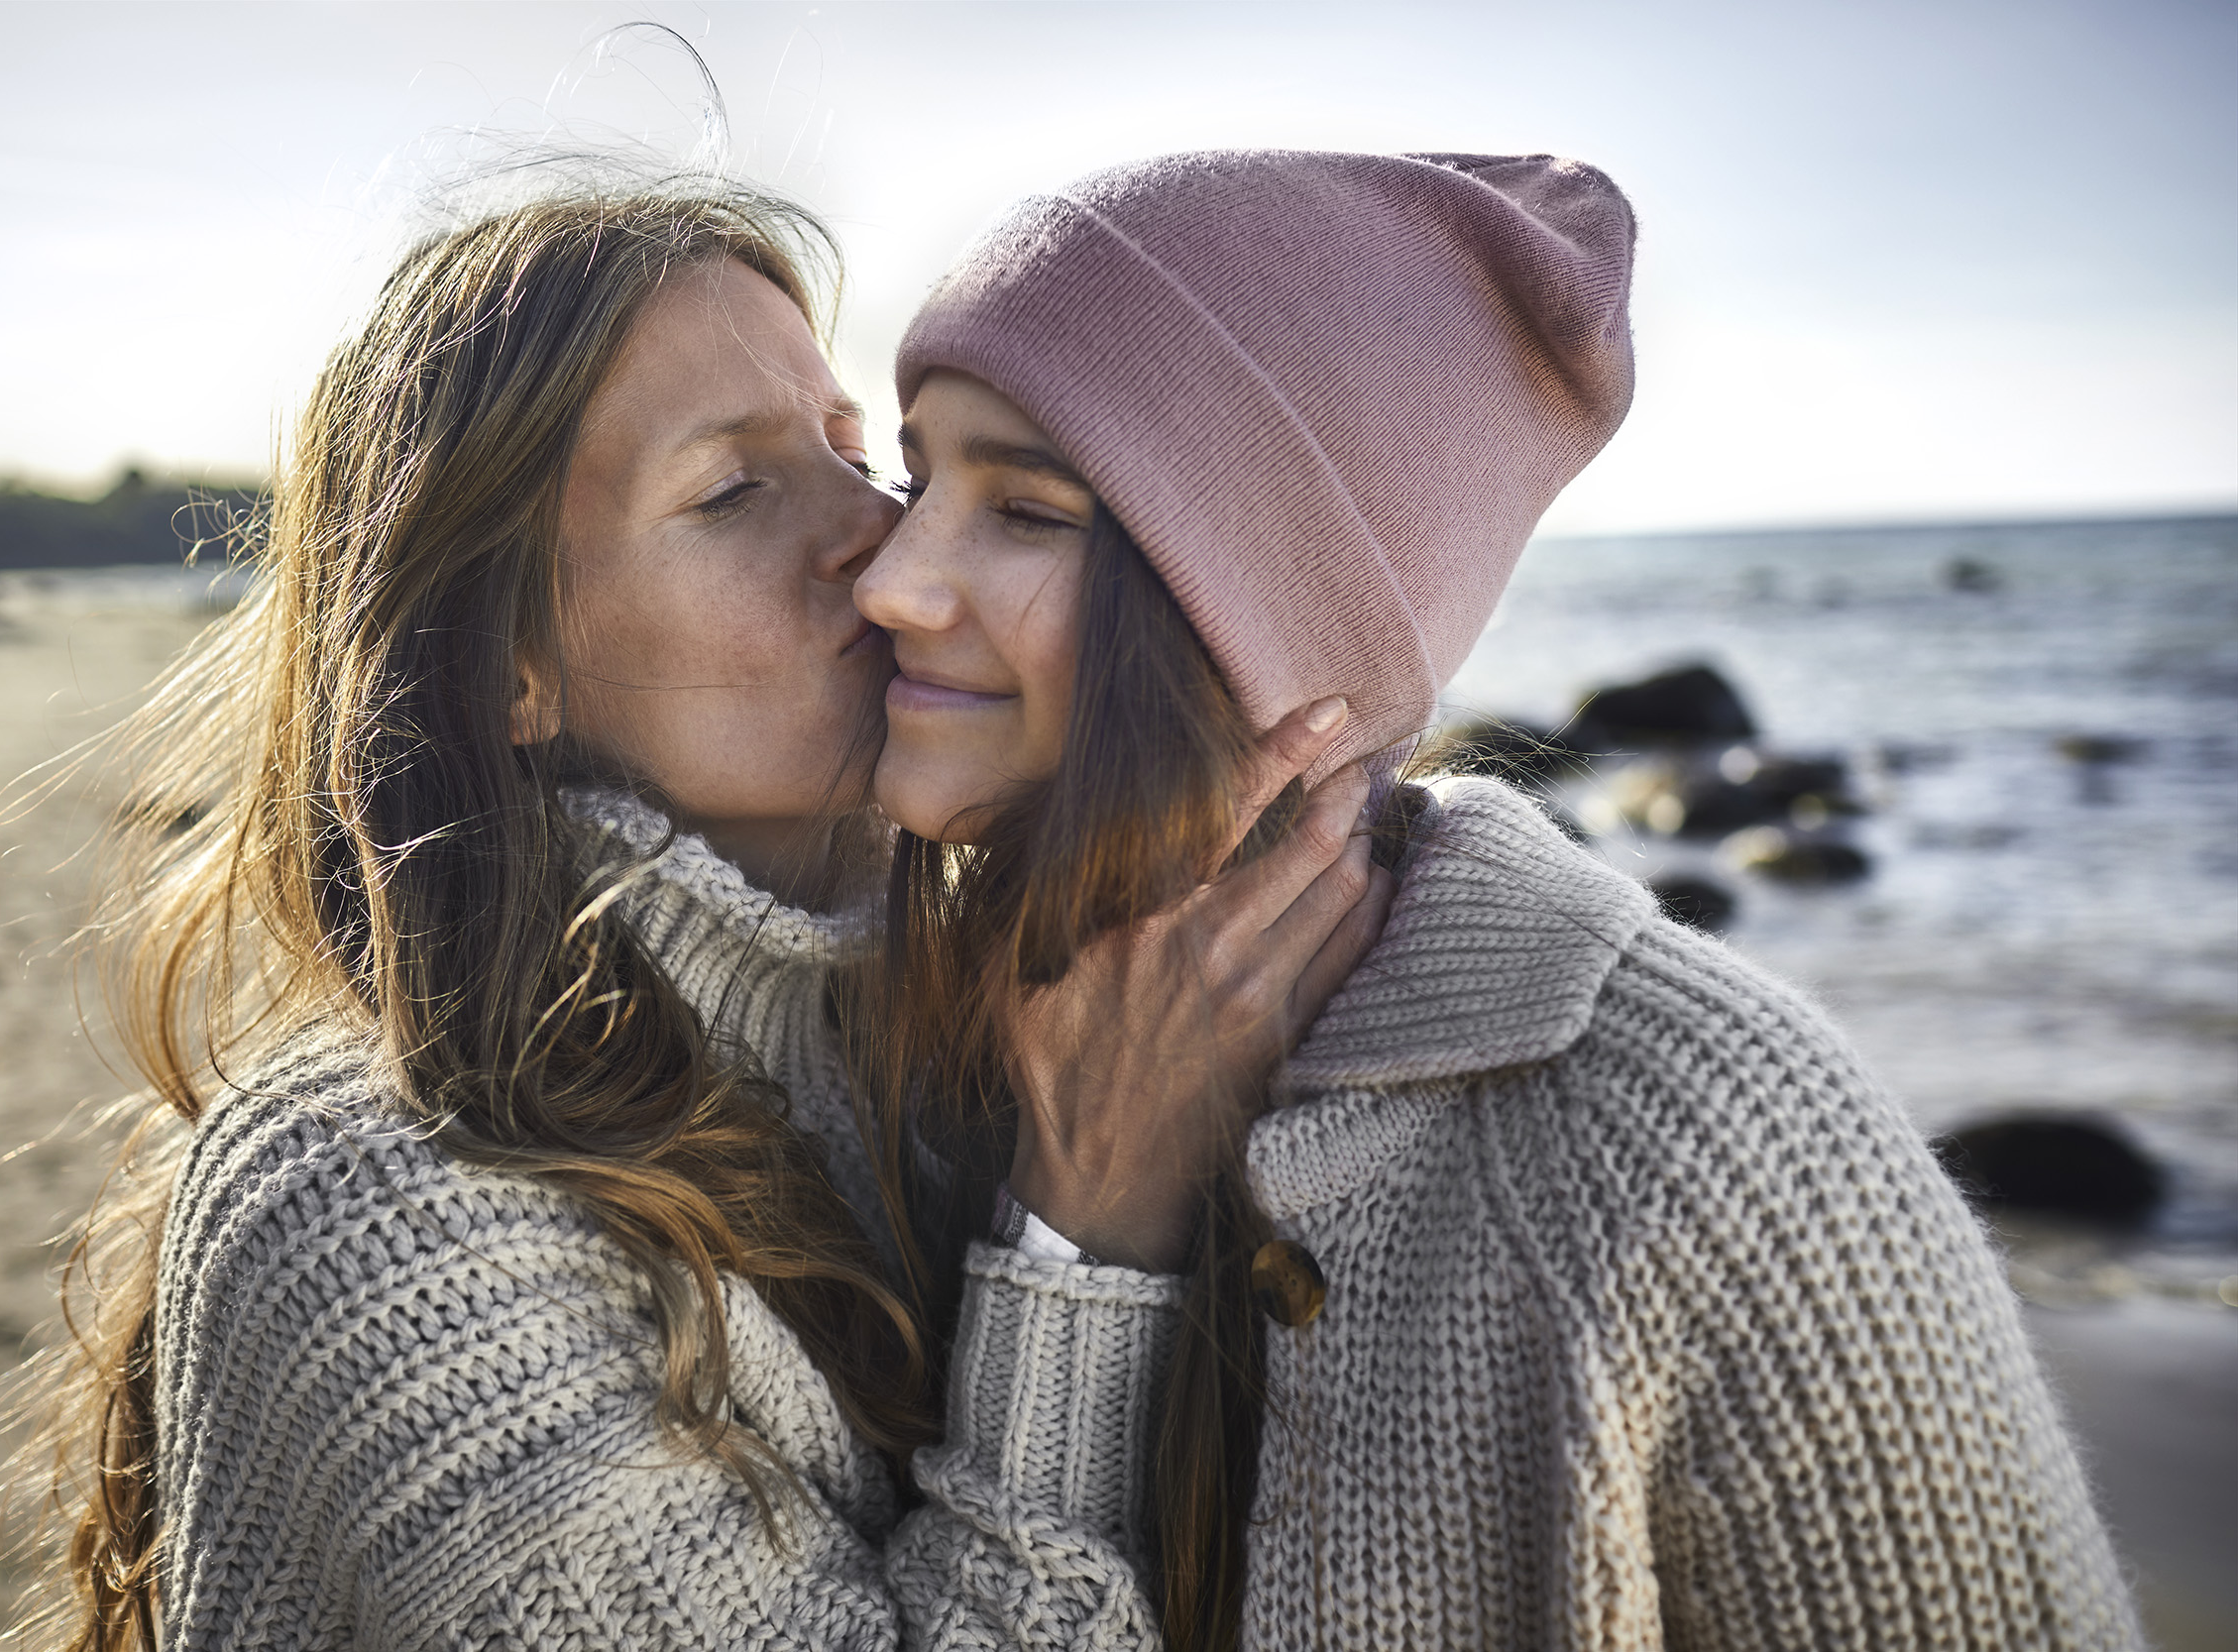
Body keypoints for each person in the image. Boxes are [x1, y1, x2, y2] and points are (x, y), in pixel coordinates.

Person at [16, 176, 1381, 1650]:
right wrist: (1084, 1237)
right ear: (502, 671)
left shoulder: (978, 1051)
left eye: (859, 455)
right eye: (733, 491)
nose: (886, 541)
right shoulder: (369, 1204)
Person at [855, 149, 2143, 1650]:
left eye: (1024, 511)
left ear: (1268, 621)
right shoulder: (906, 1046)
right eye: (917, 472)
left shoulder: (1711, 1137)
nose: (892, 576)